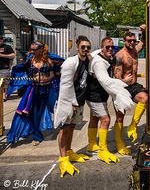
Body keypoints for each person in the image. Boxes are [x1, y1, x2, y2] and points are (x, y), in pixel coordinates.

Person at [7, 41, 63, 145]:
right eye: (31, 49)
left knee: (55, 109)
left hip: (50, 89)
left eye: (34, 49)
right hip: (34, 89)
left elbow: (63, 64)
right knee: (31, 113)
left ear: (41, 49)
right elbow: (23, 68)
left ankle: (62, 129)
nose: (31, 51)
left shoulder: (51, 58)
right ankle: (37, 135)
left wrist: (57, 72)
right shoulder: (30, 59)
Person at [86, 37, 131, 164]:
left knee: (94, 118)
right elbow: (105, 80)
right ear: (102, 48)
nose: (110, 49)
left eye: (112, 47)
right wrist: (123, 82)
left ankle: (91, 145)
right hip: (95, 96)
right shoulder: (99, 62)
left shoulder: (103, 57)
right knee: (105, 119)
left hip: (98, 95)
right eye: (107, 47)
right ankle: (102, 150)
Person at [54, 36, 92, 178]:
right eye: (83, 47)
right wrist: (72, 104)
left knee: (71, 128)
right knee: (64, 129)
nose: (86, 49)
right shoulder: (71, 62)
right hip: (69, 102)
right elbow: (65, 85)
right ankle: (63, 159)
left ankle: (69, 152)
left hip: (79, 101)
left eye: (88, 47)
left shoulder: (88, 60)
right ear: (77, 48)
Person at [113, 27, 148, 155]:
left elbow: (143, 42)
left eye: (134, 40)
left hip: (133, 85)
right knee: (120, 116)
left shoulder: (135, 51)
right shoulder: (119, 56)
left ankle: (133, 125)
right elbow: (116, 78)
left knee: (144, 98)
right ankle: (119, 143)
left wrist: (144, 30)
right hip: (121, 87)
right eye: (129, 41)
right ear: (124, 41)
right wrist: (123, 80)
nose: (132, 43)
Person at [0, 35, 16, 100]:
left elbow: (13, 55)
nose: (0, 40)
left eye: (1, 39)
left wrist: (2, 55)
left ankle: (4, 96)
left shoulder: (7, 47)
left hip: (4, 68)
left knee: (4, 83)